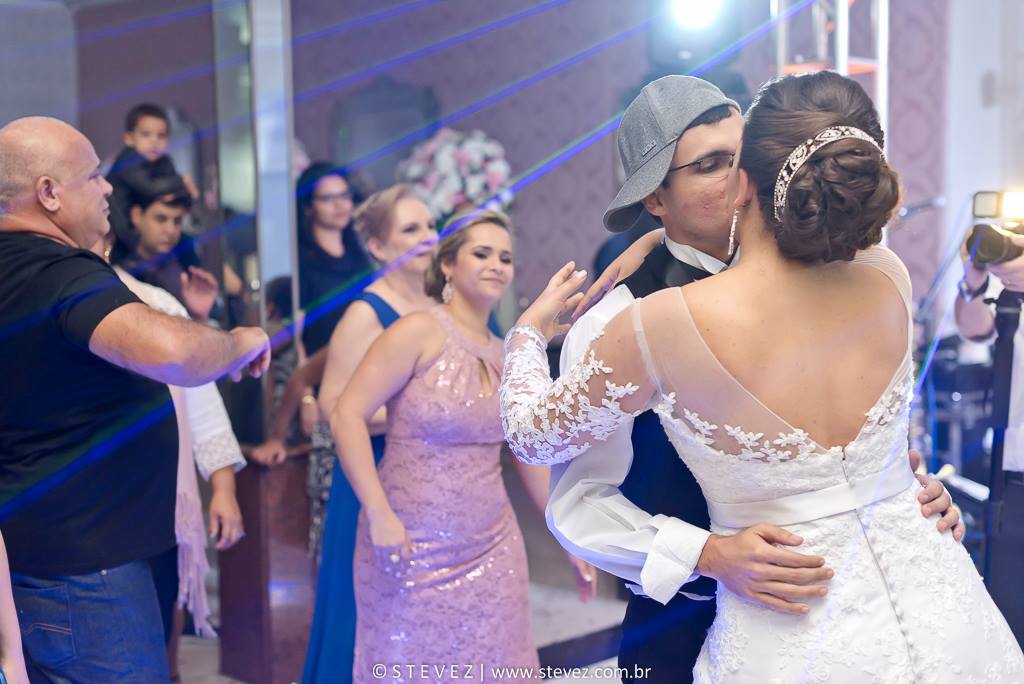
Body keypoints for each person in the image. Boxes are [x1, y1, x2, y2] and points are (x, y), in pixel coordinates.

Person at [499, 71, 1023, 682]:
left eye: (738, 157)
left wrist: (904, 486)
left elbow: (852, 447)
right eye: (708, 165)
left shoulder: (848, 273)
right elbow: (580, 500)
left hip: (825, 615)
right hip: (686, 615)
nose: (729, 179)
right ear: (655, 199)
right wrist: (705, 554)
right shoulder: (618, 317)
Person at [0, 116, 270, 682]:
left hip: (42, 556)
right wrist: (239, 342)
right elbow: (173, 352)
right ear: (49, 193)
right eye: (93, 176)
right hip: (86, 570)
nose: (107, 189)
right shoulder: (56, 270)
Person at [330, 212, 595, 682]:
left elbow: (526, 454)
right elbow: (347, 414)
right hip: (408, 543)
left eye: (505, 258)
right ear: (448, 265)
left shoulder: (506, 352)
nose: (496, 265)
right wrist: (378, 512)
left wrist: (566, 534)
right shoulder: (416, 331)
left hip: (493, 545)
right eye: (482, 253)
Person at [92, 229, 246, 681]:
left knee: (158, 616)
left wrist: (223, 487)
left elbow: (201, 401)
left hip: (158, 498)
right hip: (89, 505)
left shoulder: (155, 304)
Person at [301, 185, 439, 684]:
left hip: (433, 477)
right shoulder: (366, 313)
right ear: (378, 246)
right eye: (411, 229)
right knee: (367, 614)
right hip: (373, 474)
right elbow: (333, 407)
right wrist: (417, 411)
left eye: (431, 225)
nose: (428, 237)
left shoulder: (444, 303)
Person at [954, 225, 1024, 641]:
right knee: (1009, 617)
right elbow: (974, 328)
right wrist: (974, 281)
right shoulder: (1014, 296)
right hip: (1012, 477)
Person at [296, 162, 374, 355]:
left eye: (344, 195)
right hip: (321, 364)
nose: (339, 205)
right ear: (308, 207)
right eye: (327, 198)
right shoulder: (301, 263)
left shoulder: (362, 254)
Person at [113, 186, 220, 322]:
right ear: (137, 215)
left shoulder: (186, 261)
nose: (170, 230)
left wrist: (200, 315)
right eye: (161, 219)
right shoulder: (120, 272)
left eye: (177, 221)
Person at [106, 103, 197, 252]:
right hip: (117, 224)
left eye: (161, 136)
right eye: (146, 134)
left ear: (168, 141)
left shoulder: (164, 162)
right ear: (129, 138)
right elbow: (150, 187)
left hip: (140, 225)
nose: (154, 141)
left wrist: (187, 192)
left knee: (186, 240)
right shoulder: (127, 160)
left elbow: (179, 198)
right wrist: (182, 181)